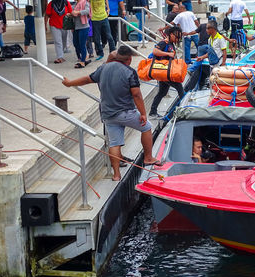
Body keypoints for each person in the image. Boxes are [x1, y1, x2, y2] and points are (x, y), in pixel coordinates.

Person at [62, 46, 163, 181]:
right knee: (146, 127)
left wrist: (69, 83)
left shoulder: (103, 68)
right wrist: (143, 113)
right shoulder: (129, 72)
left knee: (114, 143)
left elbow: (87, 79)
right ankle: (149, 157)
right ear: (129, 59)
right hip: (125, 112)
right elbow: (137, 95)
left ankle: (116, 175)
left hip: (108, 114)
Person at [149, 26, 184, 119]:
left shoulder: (171, 43)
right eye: (176, 37)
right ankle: (185, 109)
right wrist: (168, 54)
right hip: (164, 72)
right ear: (171, 34)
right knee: (180, 88)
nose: (177, 39)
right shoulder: (164, 43)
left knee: (162, 92)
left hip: (166, 72)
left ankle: (152, 112)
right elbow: (155, 51)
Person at [69, 0, 91, 68]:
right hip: (76, 27)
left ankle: (82, 62)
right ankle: (84, 57)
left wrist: (77, 12)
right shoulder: (75, 4)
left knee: (82, 44)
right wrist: (70, 14)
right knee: (75, 43)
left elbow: (87, 11)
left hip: (84, 27)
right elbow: (71, 12)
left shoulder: (85, 2)